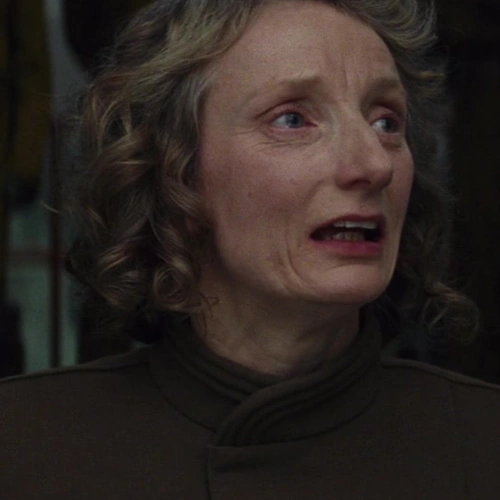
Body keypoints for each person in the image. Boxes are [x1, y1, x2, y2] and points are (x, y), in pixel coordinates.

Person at [2, 0, 500, 498]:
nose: (374, 164)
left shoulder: (479, 444)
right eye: (292, 120)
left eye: (386, 122)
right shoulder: (28, 447)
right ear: (175, 172)